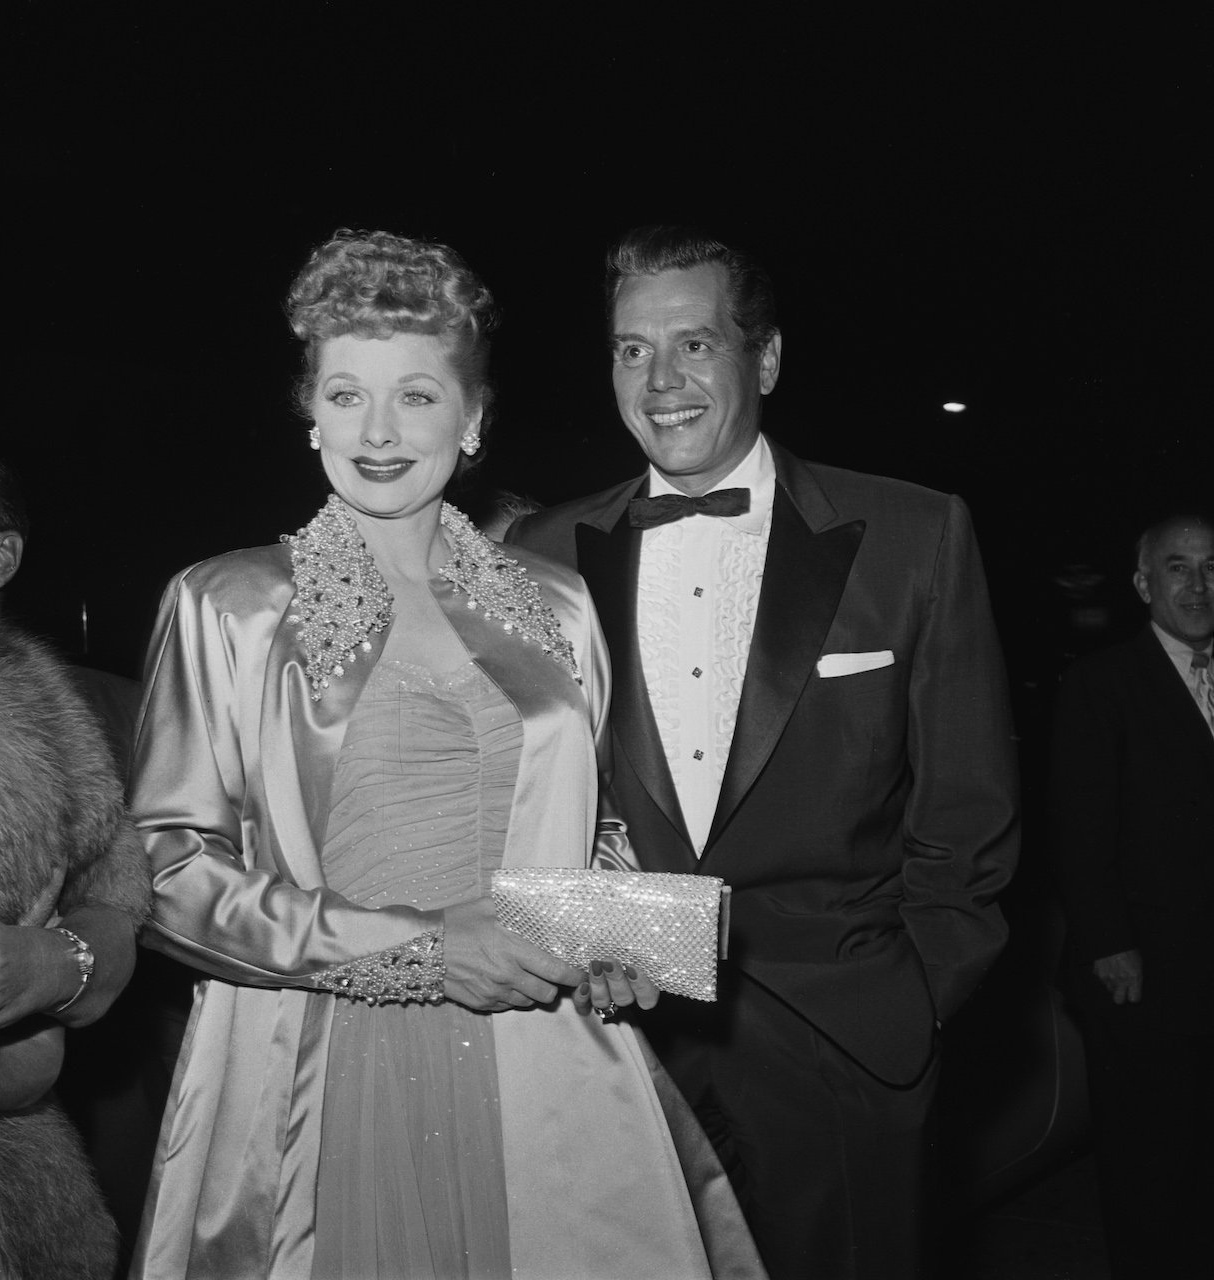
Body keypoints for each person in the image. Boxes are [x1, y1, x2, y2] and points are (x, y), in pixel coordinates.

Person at [128, 229, 763, 1280]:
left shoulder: (556, 602)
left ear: (470, 421)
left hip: (542, 1047)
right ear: (310, 413)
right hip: (320, 1051)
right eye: (345, 396)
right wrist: (420, 947)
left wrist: (615, 933)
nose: (377, 431)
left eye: (416, 397)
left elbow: (591, 820)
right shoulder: (227, 601)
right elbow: (169, 875)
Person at [507, 226, 1020, 1279]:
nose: (660, 381)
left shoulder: (917, 535)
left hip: (848, 1040)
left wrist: (915, 1001)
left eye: (694, 344)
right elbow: (522, 803)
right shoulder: (540, 554)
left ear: (767, 360)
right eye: (630, 349)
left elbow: (969, 812)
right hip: (621, 1044)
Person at [0, 439, 152, 1276]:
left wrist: (48, 964)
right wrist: (22, 1059)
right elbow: (18, 1064)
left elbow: (117, 911)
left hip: (23, 1194)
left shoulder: (39, 697)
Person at [1051, 512, 1214, 1279]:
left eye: (1211, 566)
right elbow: (1079, 829)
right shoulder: (1102, 683)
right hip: (1143, 970)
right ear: (1144, 584)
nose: (1198, 584)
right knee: (1150, 1161)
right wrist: (1108, 943)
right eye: (1177, 567)